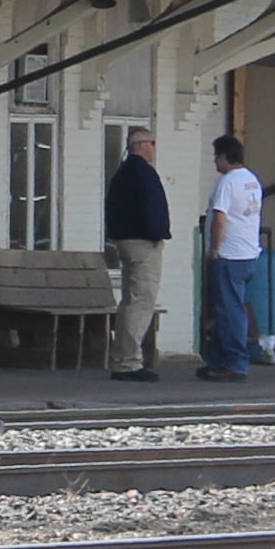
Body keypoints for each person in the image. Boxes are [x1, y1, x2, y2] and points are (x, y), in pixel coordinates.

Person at [103, 125, 175, 379]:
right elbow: (153, 209)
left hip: (124, 241)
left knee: (129, 301)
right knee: (141, 301)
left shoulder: (121, 173)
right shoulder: (143, 173)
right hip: (144, 243)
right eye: (152, 143)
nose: (154, 149)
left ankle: (121, 358)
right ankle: (128, 362)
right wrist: (159, 233)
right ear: (141, 145)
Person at [197, 131, 268, 382]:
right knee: (226, 308)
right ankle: (216, 361)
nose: (215, 161)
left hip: (229, 254)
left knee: (229, 311)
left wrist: (214, 248)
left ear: (226, 156)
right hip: (249, 253)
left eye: (217, 156)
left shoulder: (227, 182)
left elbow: (220, 218)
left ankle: (235, 362)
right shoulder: (252, 180)